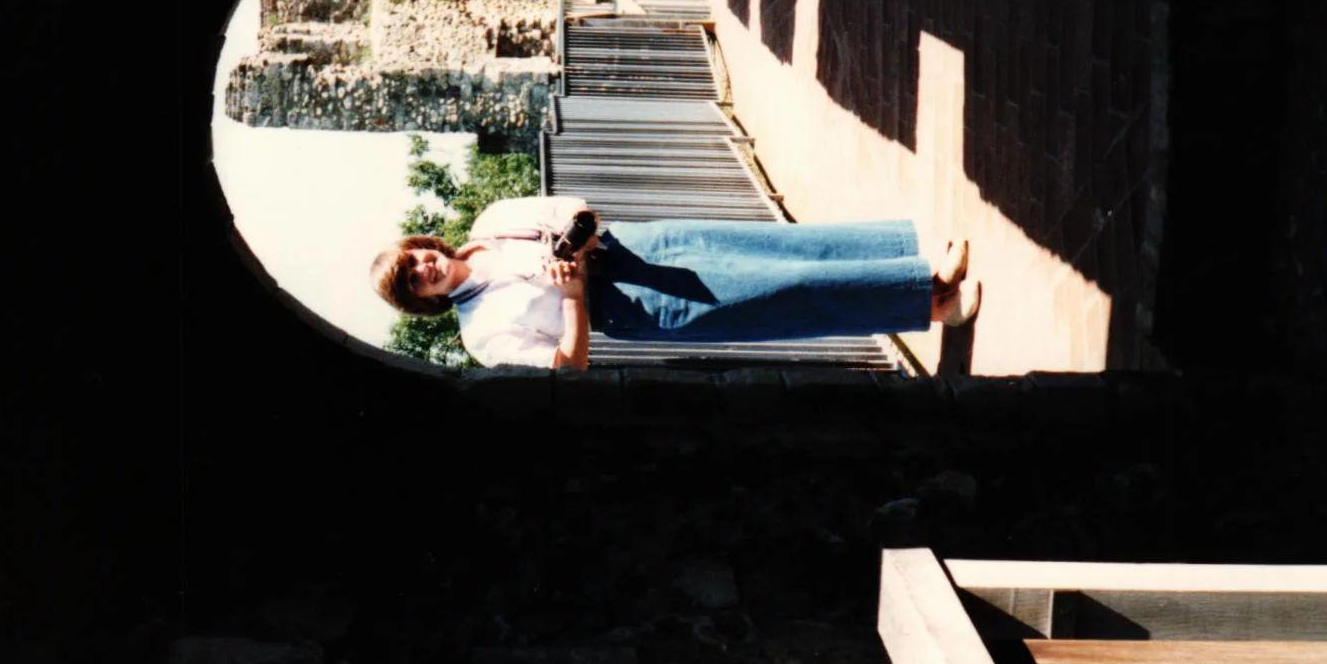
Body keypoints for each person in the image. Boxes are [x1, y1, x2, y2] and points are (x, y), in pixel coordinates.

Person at [370, 195, 981, 370]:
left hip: (643, 248)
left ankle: (921, 271)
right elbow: (567, 369)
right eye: (414, 282)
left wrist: (575, 238)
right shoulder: (481, 333)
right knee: (782, 295)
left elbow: (577, 208)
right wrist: (574, 297)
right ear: (423, 301)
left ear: (424, 245)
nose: (425, 269)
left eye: (416, 259)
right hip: (632, 305)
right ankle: (934, 304)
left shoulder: (493, 221)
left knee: (784, 249)